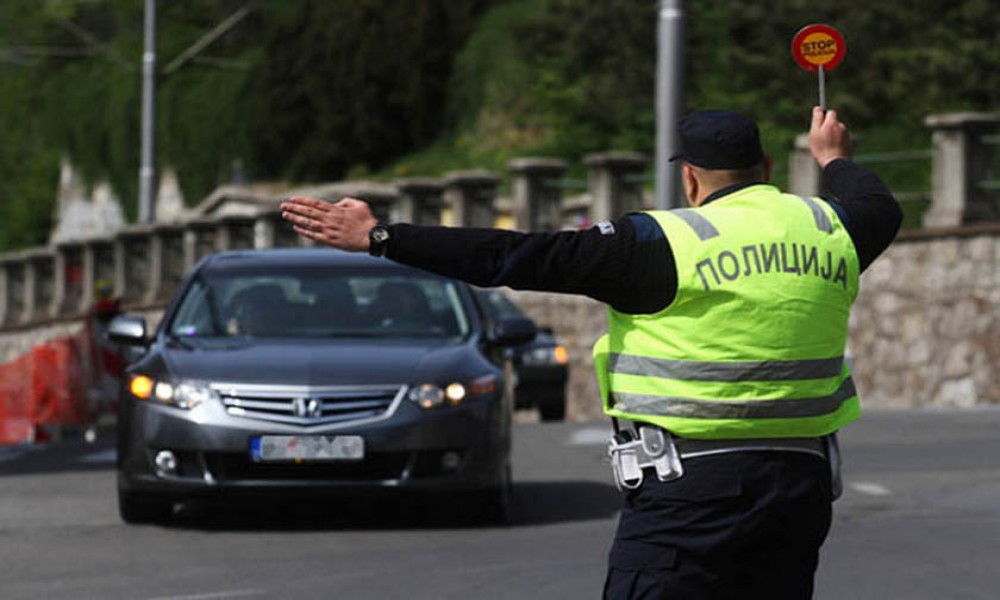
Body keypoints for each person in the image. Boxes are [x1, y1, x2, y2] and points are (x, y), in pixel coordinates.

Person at [281, 107, 902, 598]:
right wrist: (834, 160)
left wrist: (382, 236)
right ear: (765, 166)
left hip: (690, 491)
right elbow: (880, 206)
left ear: (688, 176)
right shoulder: (830, 230)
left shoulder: (660, 243)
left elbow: (512, 255)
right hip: (799, 486)